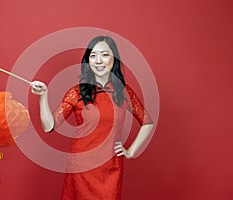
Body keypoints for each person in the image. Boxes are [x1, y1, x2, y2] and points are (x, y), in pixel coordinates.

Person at [31, 36, 154, 200]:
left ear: (114, 58)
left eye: (104, 54)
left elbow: (147, 122)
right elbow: (49, 126)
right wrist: (43, 96)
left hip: (111, 167)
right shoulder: (77, 92)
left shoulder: (123, 92)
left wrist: (130, 151)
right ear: (88, 61)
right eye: (93, 55)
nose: (98, 61)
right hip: (81, 166)